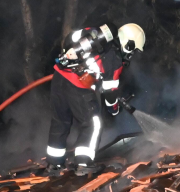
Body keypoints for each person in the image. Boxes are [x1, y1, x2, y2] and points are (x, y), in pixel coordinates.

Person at [45, 22, 145, 174]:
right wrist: (114, 109)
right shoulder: (116, 60)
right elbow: (109, 91)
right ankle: (83, 164)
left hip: (58, 79)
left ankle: (54, 164)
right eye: (133, 50)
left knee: (60, 121)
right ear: (129, 44)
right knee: (93, 124)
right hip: (77, 86)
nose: (131, 55)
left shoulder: (92, 33)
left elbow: (69, 39)